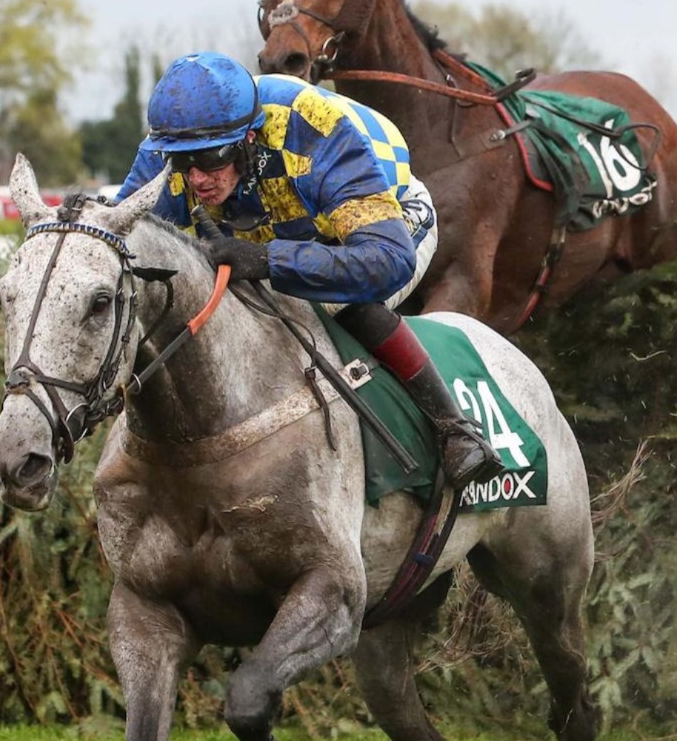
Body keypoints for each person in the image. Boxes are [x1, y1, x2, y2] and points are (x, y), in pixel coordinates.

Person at [116, 51, 503, 491]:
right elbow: (118, 243)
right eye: (185, 163)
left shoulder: (311, 126)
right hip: (279, 231)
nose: (197, 178)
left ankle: (454, 428)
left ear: (249, 137)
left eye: (212, 158)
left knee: (330, 301)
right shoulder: (168, 150)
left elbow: (386, 262)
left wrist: (267, 260)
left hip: (385, 224)